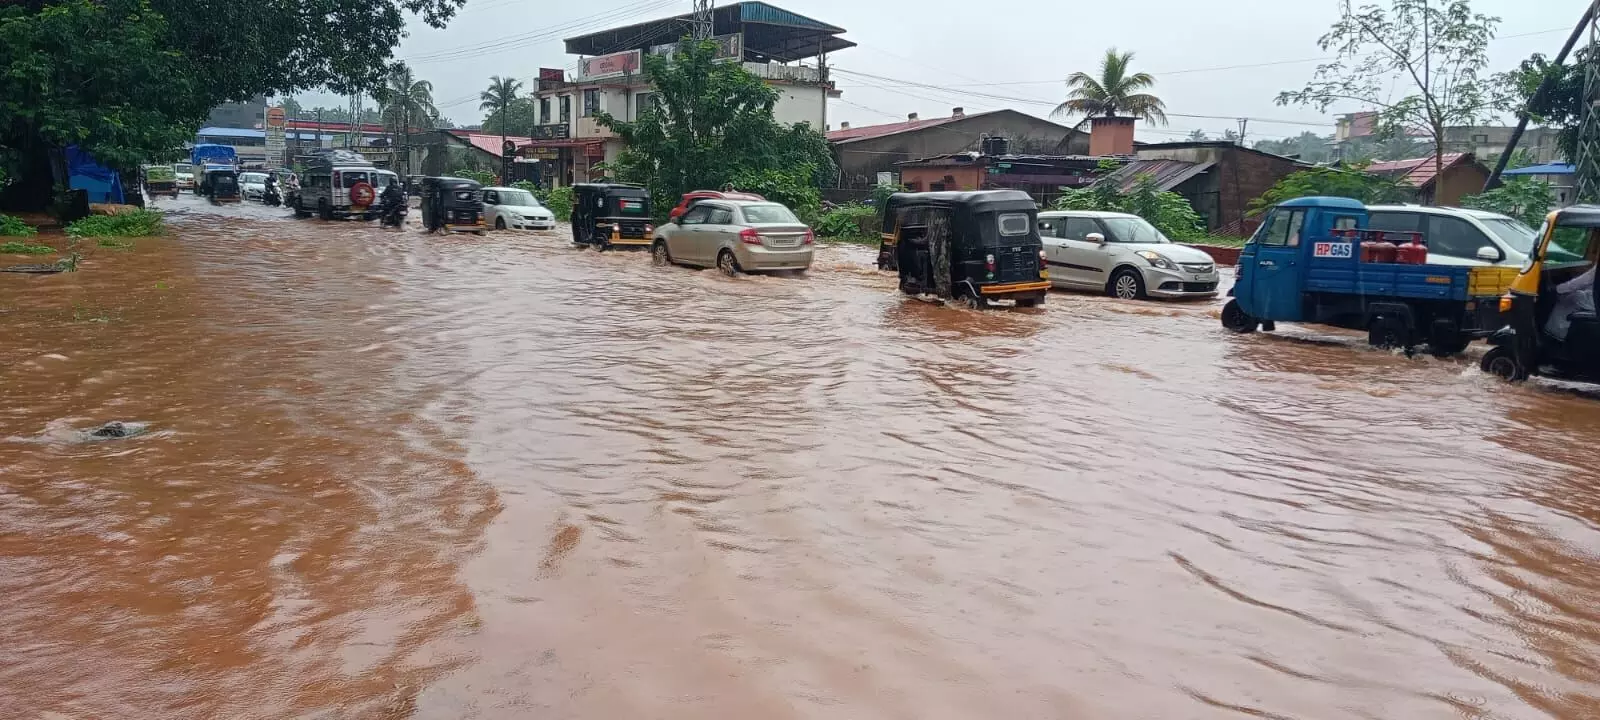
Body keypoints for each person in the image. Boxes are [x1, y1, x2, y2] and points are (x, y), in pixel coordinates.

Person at [1545, 264, 1597, 341]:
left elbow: (1585, 280)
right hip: (1593, 298)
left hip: (1594, 302)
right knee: (1577, 293)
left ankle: (1555, 334)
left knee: (1567, 298)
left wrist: (1557, 289)